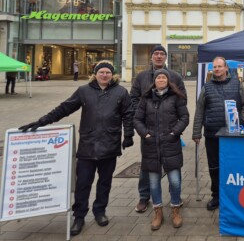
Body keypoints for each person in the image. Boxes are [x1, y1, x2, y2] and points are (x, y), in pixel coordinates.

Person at [18, 60, 134, 236]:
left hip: (109, 145)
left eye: (108, 73)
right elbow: (64, 108)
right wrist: (41, 122)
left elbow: (128, 114)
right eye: (101, 72)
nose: (104, 75)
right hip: (87, 146)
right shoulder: (84, 91)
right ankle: (79, 216)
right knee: (83, 183)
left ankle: (100, 211)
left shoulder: (121, 92)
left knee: (104, 182)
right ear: (95, 74)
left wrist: (128, 135)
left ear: (113, 75)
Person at [130, 45, 186, 213]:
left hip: (168, 131)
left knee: (173, 167)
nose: (159, 56)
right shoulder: (141, 77)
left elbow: (182, 100)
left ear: (166, 57)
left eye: (162, 54)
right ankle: (144, 197)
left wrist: (175, 128)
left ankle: (175, 197)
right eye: (156, 54)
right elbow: (133, 98)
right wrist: (142, 120)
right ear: (151, 57)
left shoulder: (175, 76)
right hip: (148, 131)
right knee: (148, 166)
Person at [134, 69, 189, 230]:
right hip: (151, 146)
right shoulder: (146, 98)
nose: (161, 79)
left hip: (170, 144)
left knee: (175, 181)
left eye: (164, 77)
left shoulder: (175, 97)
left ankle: (175, 209)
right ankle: (158, 212)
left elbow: (184, 117)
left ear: (168, 80)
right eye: (158, 77)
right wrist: (145, 135)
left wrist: (174, 132)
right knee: (154, 183)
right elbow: (137, 119)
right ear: (154, 81)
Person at [192, 56, 244, 211]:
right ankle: (216, 196)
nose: (217, 69)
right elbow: (199, 111)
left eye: (219, 66)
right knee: (214, 167)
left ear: (226, 68)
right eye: (214, 67)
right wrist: (196, 132)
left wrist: (243, 122)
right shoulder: (207, 87)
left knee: (233, 166)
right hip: (212, 134)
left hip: (233, 135)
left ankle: (233, 196)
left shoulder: (237, 84)